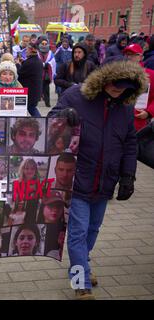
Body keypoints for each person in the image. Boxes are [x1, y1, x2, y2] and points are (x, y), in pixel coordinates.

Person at [48, 59, 147, 300]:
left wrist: (128, 175)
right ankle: (81, 281)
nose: (118, 89)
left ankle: (82, 263)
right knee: (79, 231)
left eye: (125, 87)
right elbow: (50, 118)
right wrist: (63, 115)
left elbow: (130, 142)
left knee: (93, 229)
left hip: (106, 180)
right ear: (103, 79)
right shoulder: (76, 95)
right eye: (115, 84)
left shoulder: (124, 106)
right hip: (78, 177)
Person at [122, 44, 154, 131]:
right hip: (119, 120)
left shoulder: (151, 75)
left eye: (132, 54)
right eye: (126, 54)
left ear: (140, 57)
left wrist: (149, 112)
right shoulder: (119, 73)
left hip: (139, 122)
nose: (128, 57)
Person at [18, 42, 43, 116]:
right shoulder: (37, 60)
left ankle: (40, 121)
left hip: (31, 92)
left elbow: (20, 74)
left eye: (27, 49)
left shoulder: (30, 62)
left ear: (31, 50)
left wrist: (17, 65)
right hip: (35, 91)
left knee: (31, 108)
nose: (26, 51)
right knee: (31, 107)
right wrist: (23, 63)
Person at [37, 37, 56, 108]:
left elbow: (53, 62)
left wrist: (47, 64)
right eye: (43, 43)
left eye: (45, 43)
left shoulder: (50, 53)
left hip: (47, 73)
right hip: (39, 73)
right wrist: (41, 64)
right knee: (39, 88)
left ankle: (47, 102)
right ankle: (37, 100)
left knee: (46, 89)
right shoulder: (37, 52)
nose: (44, 45)